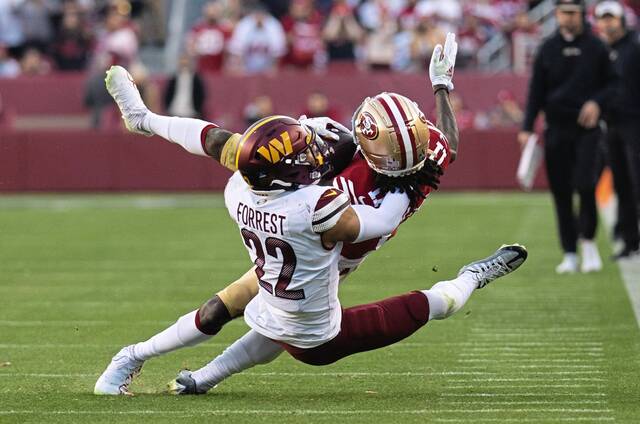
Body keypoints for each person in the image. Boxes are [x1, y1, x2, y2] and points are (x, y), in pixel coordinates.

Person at [92, 34, 522, 396]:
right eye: (305, 152)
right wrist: (435, 103)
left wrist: (147, 119)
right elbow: (383, 217)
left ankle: (164, 366)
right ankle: (471, 277)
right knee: (435, 305)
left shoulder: (243, 187)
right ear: (292, 179)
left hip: (287, 262)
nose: (314, 145)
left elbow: (213, 139)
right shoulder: (326, 206)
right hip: (314, 285)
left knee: (222, 309)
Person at [518, 0, 617, 274]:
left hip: (587, 129)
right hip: (556, 128)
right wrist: (527, 126)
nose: (568, 18)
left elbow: (613, 84)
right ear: (557, 14)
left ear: (582, 15)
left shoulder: (596, 47)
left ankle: (588, 243)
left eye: (573, 12)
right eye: (564, 12)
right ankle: (570, 253)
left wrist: (597, 102)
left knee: (586, 185)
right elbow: (536, 90)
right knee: (561, 192)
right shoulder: (547, 48)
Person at [595, 0, 640, 259]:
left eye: (611, 18)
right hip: (612, 124)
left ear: (622, 20)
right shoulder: (601, 52)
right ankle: (629, 239)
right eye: (603, 18)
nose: (608, 23)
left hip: (634, 123)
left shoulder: (634, 48)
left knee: (636, 183)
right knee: (621, 183)